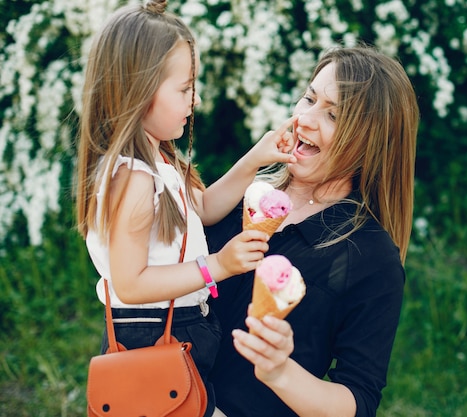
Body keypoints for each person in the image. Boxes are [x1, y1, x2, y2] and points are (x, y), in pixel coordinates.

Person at [74, 1, 295, 416]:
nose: (196, 98)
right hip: (149, 333)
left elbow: (205, 207)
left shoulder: (159, 160)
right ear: (137, 90)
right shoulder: (134, 179)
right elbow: (131, 284)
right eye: (185, 88)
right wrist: (217, 266)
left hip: (182, 325)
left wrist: (254, 160)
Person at [206, 45, 419, 417]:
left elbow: (359, 399)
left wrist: (280, 372)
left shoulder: (370, 255)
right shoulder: (241, 192)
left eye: (333, 115)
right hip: (158, 395)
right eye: (309, 98)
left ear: (369, 143)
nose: (305, 118)